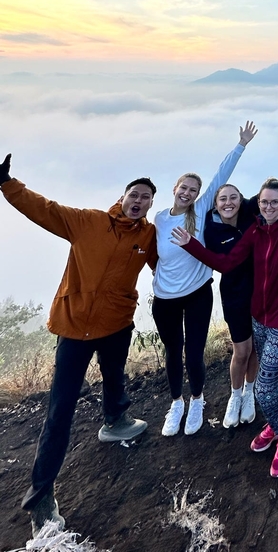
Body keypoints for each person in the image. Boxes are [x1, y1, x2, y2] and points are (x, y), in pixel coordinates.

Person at [0, 153, 156, 537]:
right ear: (122, 197)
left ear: (151, 205)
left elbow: (169, 263)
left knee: (115, 374)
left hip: (116, 323)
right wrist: (7, 184)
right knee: (59, 410)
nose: (138, 201)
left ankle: (116, 420)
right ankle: (41, 498)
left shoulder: (147, 236)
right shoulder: (89, 221)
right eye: (134, 195)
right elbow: (45, 210)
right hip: (73, 326)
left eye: (146, 198)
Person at [173, 178, 278, 478]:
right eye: (264, 202)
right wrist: (191, 245)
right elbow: (226, 263)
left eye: (275, 202)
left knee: (263, 386)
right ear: (258, 204)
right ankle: (276, 422)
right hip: (257, 318)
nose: (269, 207)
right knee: (274, 380)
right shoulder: (256, 230)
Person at [152, 122, 257, 438]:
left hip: (197, 293)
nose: (187, 193)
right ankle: (176, 403)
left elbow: (221, 178)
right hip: (164, 298)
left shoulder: (198, 212)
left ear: (200, 196)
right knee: (173, 352)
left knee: (194, 351)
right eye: (183, 187)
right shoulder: (158, 219)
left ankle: (197, 400)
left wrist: (240, 145)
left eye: (193, 190)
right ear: (174, 188)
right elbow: (150, 252)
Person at [203, 141, 278, 429]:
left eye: (232, 197)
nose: (228, 203)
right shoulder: (210, 228)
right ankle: (235, 395)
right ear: (214, 205)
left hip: (266, 298)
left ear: (241, 200)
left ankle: (251, 393)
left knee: (256, 352)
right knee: (242, 351)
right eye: (221, 199)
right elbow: (221, 262)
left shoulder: (256, 213)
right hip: (237, 297)